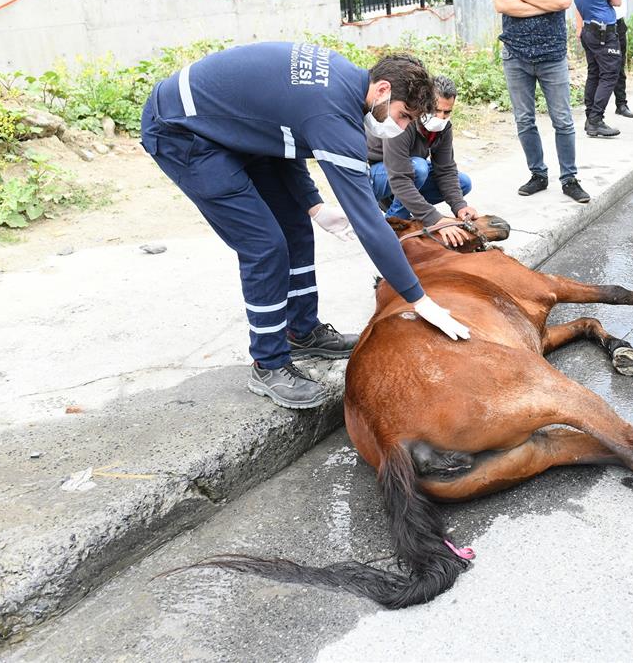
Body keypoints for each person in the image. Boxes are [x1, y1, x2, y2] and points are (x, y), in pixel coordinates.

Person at [140, 43, 471, 411]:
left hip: (230, 126)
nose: (403, 126)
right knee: (264, 245)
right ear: (382, 91)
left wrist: (314, 206)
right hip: (183, 131)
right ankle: (267, 364)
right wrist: (418, 298)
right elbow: (369, 222)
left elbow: (283, 138)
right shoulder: (333, 116)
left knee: (297, 227)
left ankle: (302, 331)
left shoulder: (343, 84)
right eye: (404, 115)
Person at [492, 0, 590, 204]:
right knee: (524, 120)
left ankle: (569, 178)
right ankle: (538, 174)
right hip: (516, 55)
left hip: (552, 55)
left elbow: (563, 1)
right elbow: (502, 4)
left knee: (562, 119)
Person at [368, 75, 477, 246]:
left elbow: (446, 169)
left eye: (447, 112)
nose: (441, 117)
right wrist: (435, 219)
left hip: (405, 175)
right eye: (435, 110)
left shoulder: (443, 128)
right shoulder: (404, 121)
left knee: (463, 182)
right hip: (378, 178)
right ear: (424, 102)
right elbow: (400, 178)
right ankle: (393, 223)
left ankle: (410, 209)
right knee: (418, 167)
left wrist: (459, 206)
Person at [575, 0, 633, 118]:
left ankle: (618, 105)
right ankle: (595, 118)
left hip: (614, 24)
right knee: (608, 72)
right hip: (602, 28)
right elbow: (616, 0)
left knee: (614, 68)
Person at [573, 0, 625, 139]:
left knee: (594, 73)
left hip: (588, 30)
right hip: (604, 33)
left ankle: (590, 119)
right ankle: (596, 119)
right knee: (610, 74)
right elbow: (618, 0)